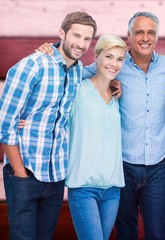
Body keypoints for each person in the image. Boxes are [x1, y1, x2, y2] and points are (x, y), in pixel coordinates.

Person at [82, 12, 165, 239]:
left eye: (151, 32)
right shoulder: (114, 65)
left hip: (158, 166)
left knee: (156, 233)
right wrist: (52, 50)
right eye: (139, 32)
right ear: (128, 36)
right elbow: (76, 73)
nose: (145, 37)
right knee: (126, 232)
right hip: (122, 166)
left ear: (157, 37)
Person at [0, 11, 97, 239]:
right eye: (76, 36)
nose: (81, 44)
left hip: (55, 177)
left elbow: (104, 70)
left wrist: (115, 85)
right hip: (26, 172)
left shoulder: (77, 72)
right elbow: (6, 123)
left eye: (87, 39)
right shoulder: (32, 66)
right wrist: (20, 172)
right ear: (62, 33)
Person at [66, 34, 126, 240]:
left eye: (120, 59)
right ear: (97, 56)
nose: (114, 64)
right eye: (109, 57)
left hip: (112, 189)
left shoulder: (117, 95)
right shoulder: (77, 90)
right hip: (84, 188)